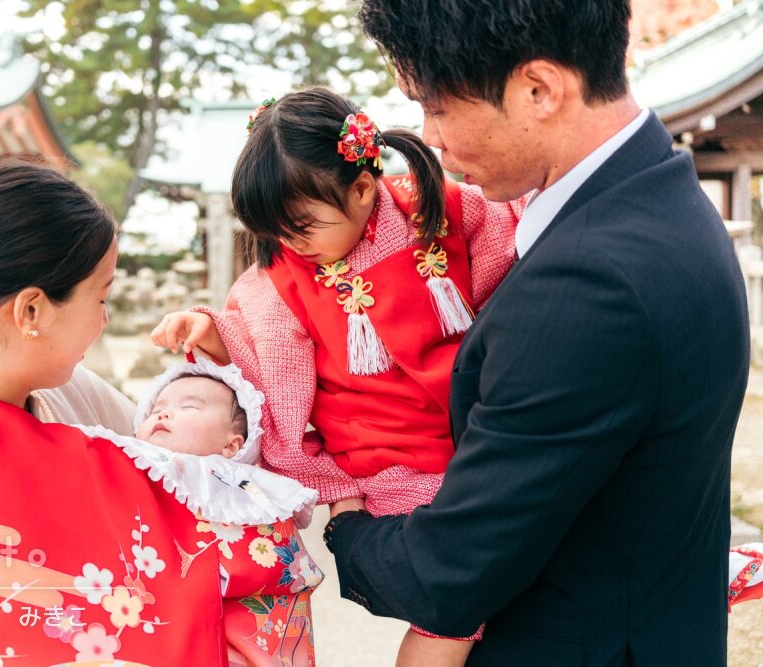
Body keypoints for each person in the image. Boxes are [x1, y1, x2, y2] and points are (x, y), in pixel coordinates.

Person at [321, 1, 751, 665]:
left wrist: (345, 521)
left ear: (538, 89)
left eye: (435, 105)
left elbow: (449, 570)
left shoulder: (589, 281)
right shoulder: (661, 196)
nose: (428, 135)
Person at [152, 86, 526, 665]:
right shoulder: (279, 280)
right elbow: (271, 373)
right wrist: (215, 336)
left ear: (361, 187)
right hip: (387, 456)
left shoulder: (442, 206)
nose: (290, 245)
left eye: (303, 226)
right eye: (277, 231)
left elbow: (514, 260)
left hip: (478, 424)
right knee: (460, 590)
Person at [0, 160, 232, 666]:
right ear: (31, 310)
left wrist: (223, 360)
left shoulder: (77, 394)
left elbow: (200, 479)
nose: (104, 318)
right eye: (101, 296)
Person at [95, 357, 324, 666]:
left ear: (232, 445)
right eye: (155, 408)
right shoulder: (131, 459)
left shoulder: (247, 489)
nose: (164, 413)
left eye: (189, 407)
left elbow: (278, 560)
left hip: (231, 624)